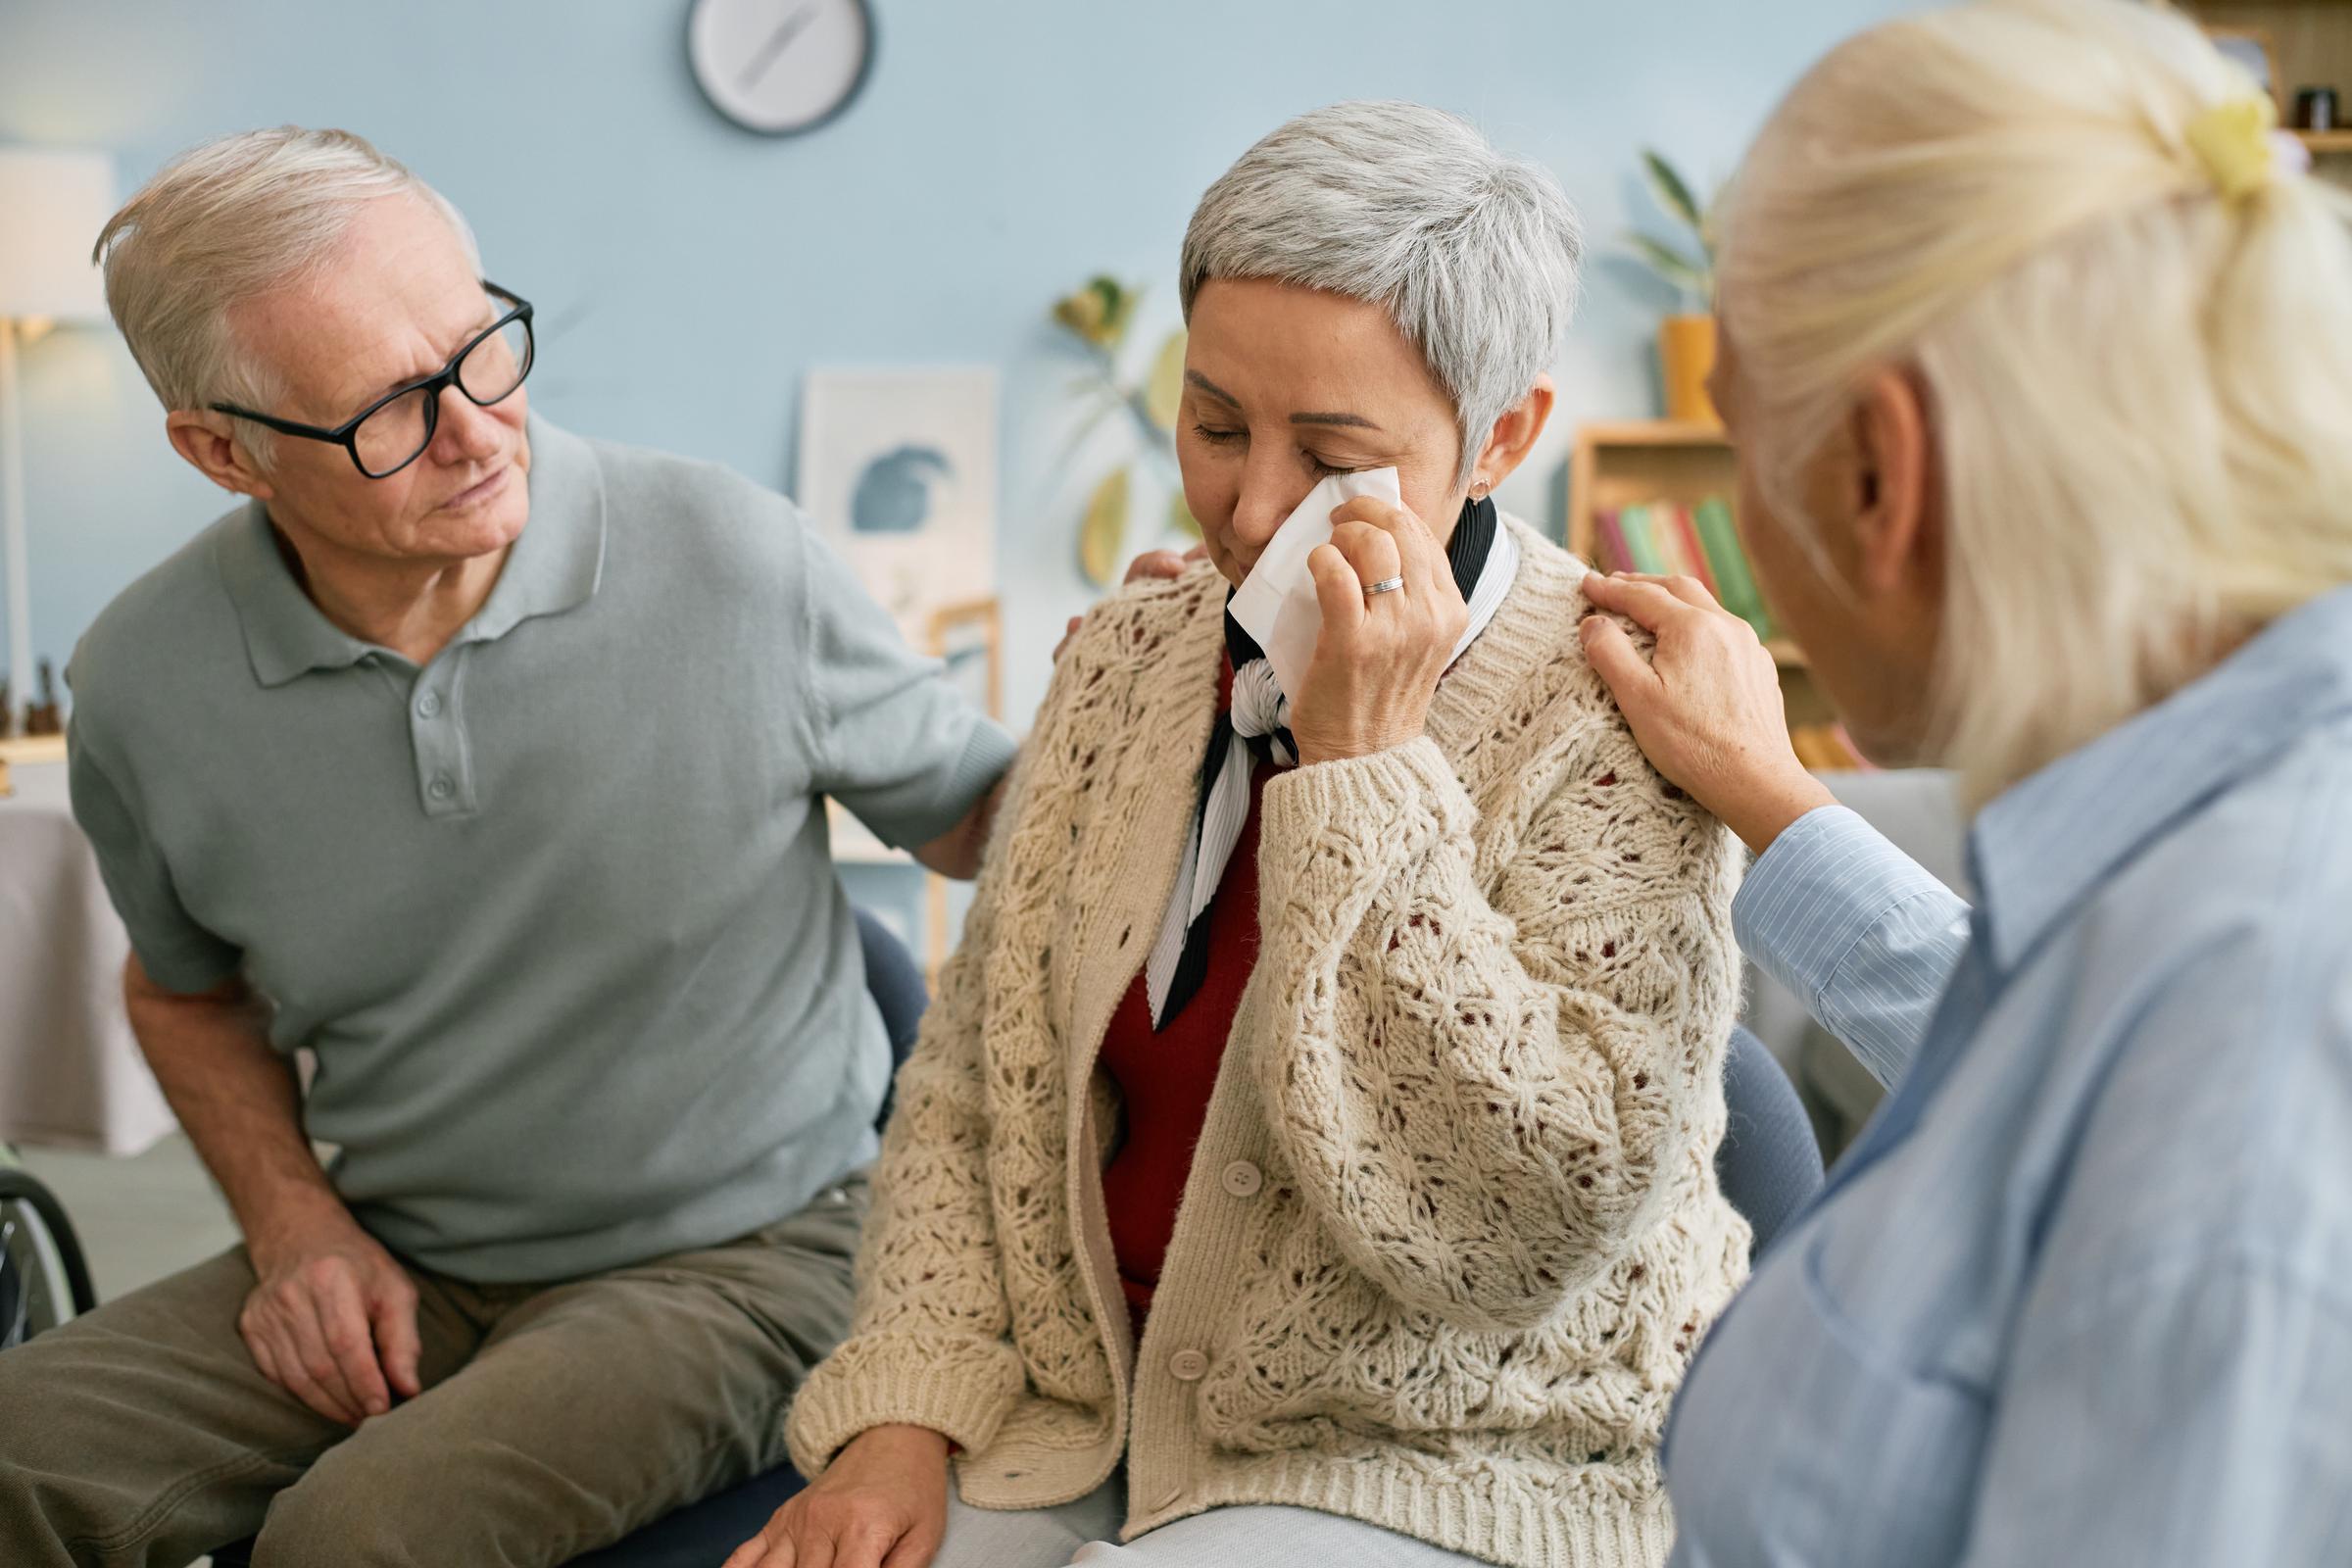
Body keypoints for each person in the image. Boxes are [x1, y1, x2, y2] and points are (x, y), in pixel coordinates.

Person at [730, 101, 1750, 1568]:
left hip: (1432, 1449)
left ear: (1502, 435)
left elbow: (1519, 1224)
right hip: (1084, 1404)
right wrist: (904, 1419)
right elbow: (974, 1083)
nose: (1250, 504)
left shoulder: (1622, 723)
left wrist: (1364, 764)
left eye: (1330, 452)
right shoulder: (1132, 659)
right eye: (1213, 422)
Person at [0, 128, 1013, 1568]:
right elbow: (183, 992)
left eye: (485, 349)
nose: (483, 429)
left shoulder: (731, 557)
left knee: (358, 1539)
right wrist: (296, 1228)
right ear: (222, 452)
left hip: (748, 1255)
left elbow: (988, 817)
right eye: (390, 413)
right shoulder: (142, 685)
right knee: (17, 1454)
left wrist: (1159, 692)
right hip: (401, 1248)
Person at [1569, 1, 2352, 1562]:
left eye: (1742, 454)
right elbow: (2058, 1083)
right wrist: (1774, 801)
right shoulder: (2191, 854)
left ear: (1876, 474)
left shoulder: (2262, 1012)